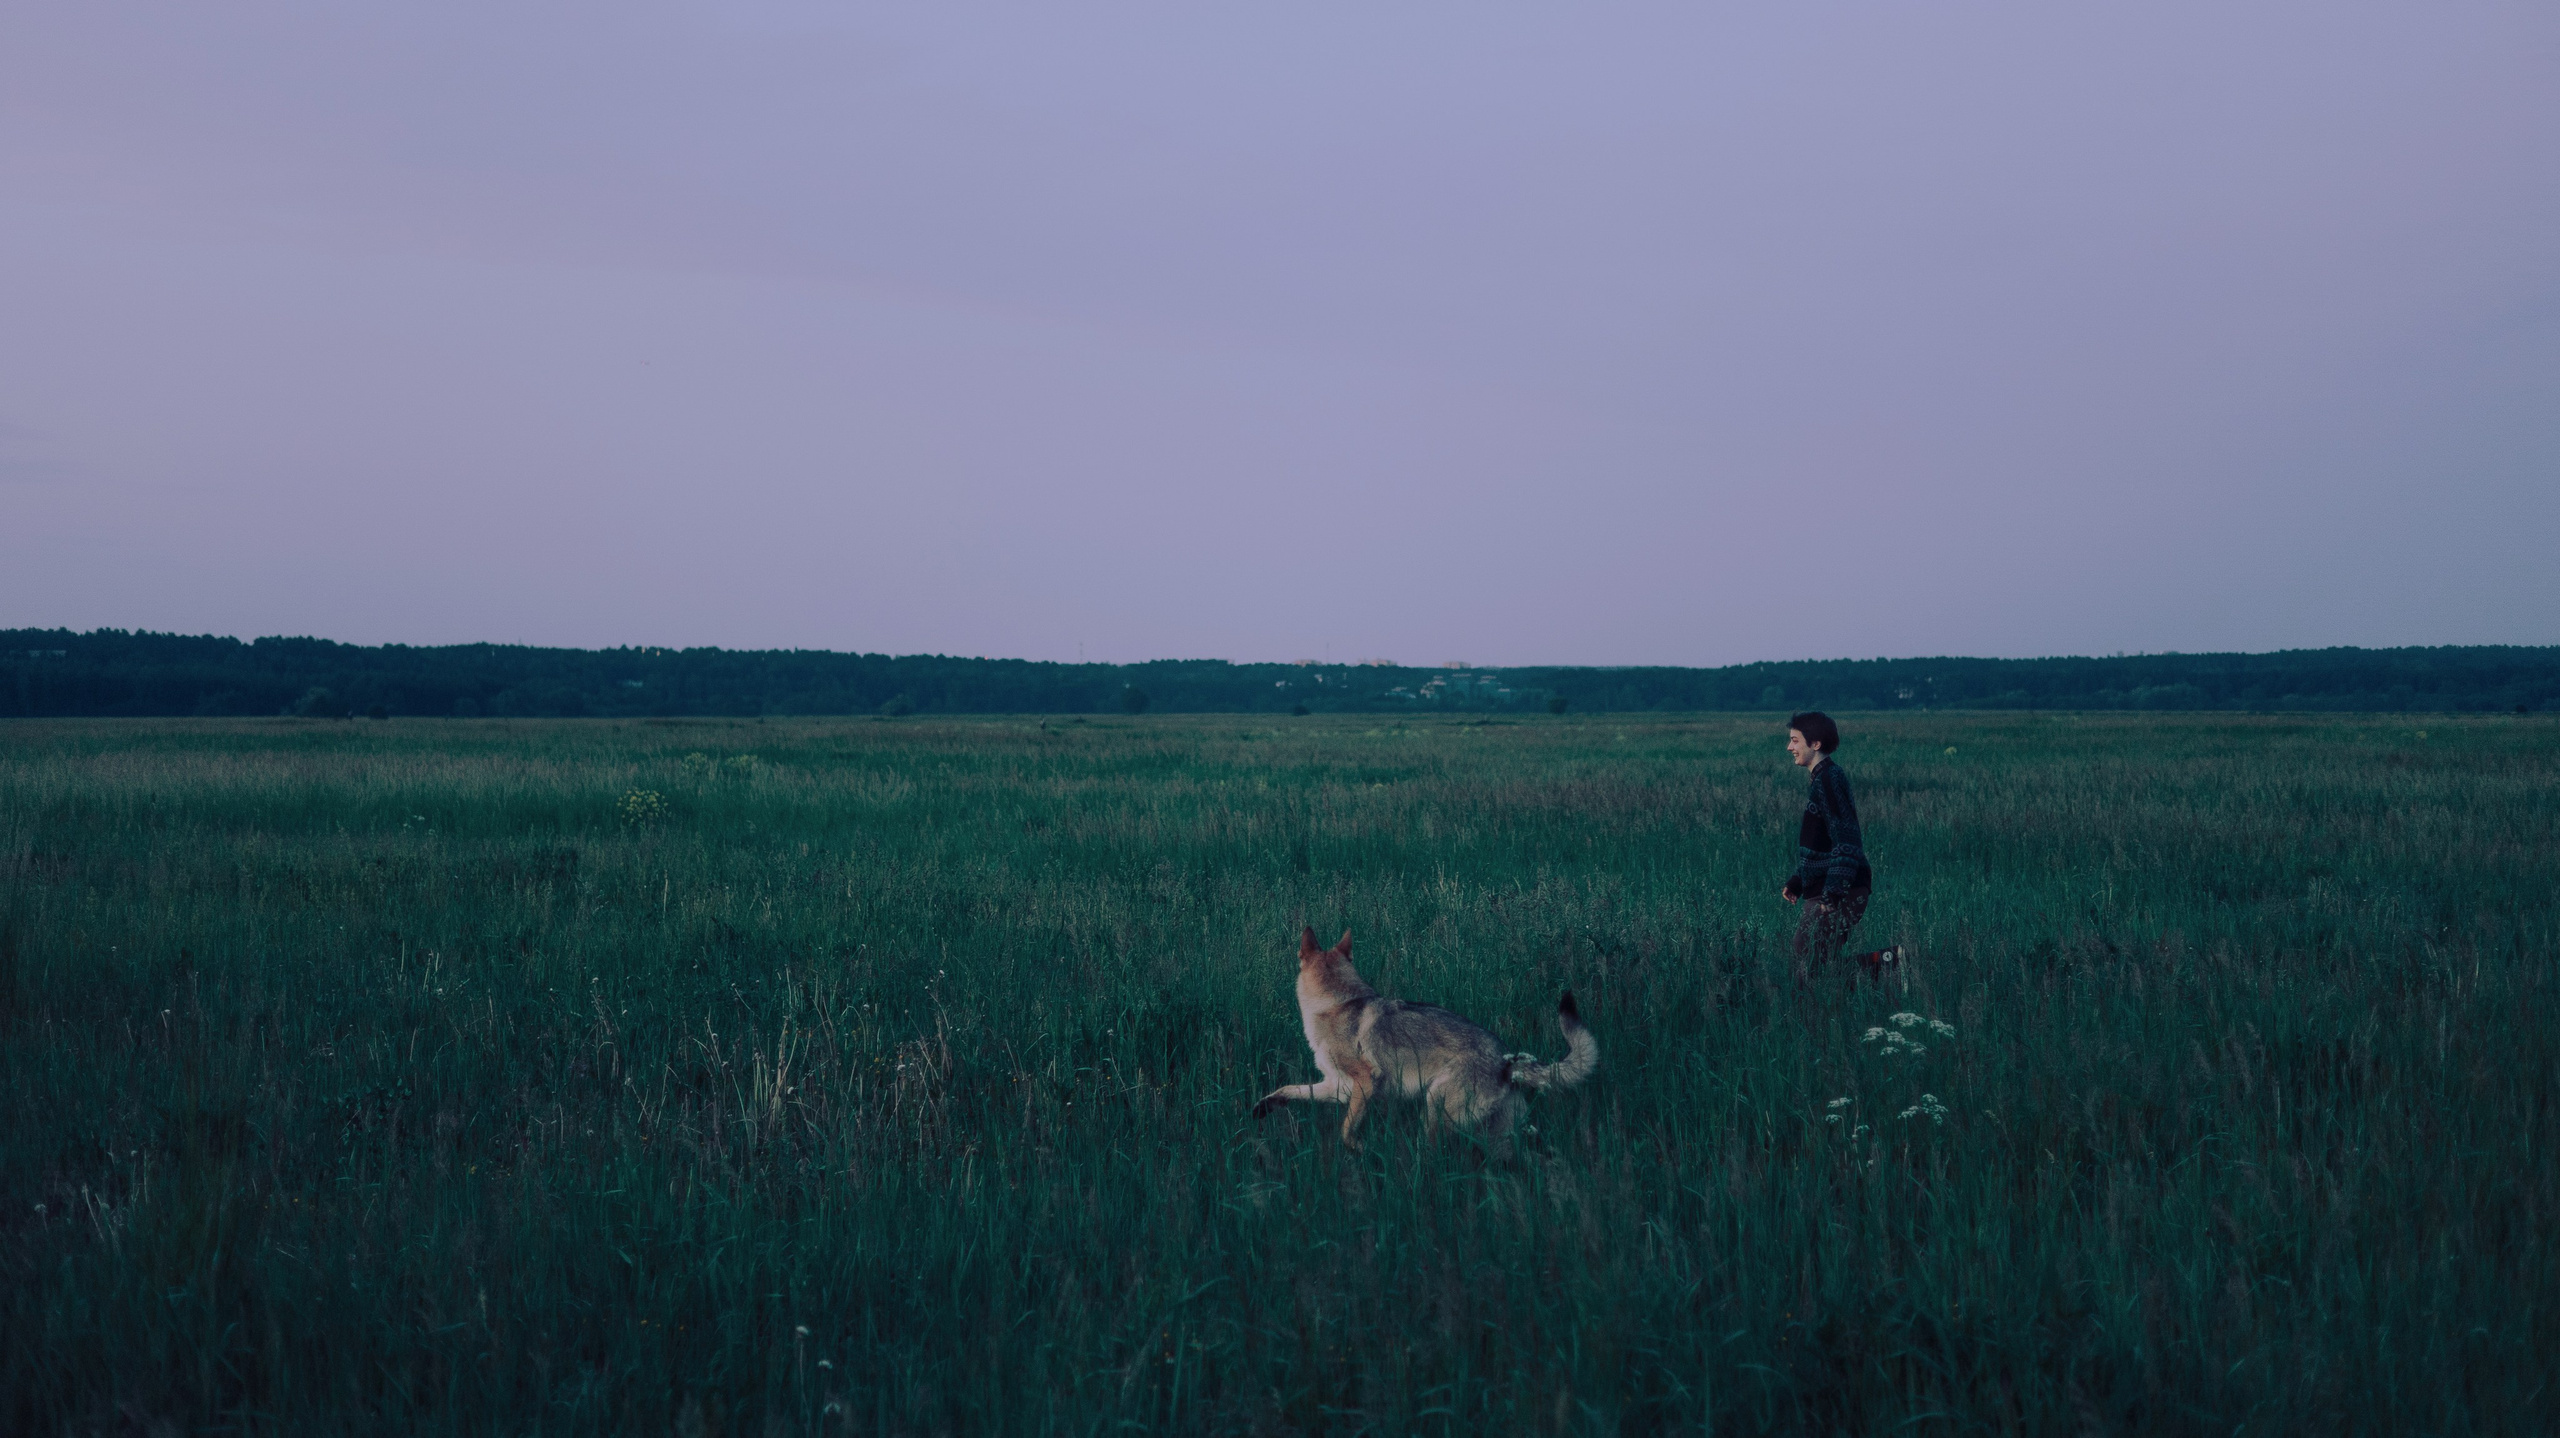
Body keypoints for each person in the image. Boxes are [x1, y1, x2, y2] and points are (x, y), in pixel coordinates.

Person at [1779, 711, 1901, 981]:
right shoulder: (1823, 778)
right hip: (1829, 888)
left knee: (1805, 969)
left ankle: (1889, 966)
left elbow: (1847, 841)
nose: (1789, 748)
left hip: (1839, 891)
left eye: (1795, 741)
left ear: (1816, 744)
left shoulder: (1829, 780)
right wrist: (1798, 880)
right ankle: (1889, 965)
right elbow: (1823, 842)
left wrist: (1833, 892)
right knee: (1814, 968)